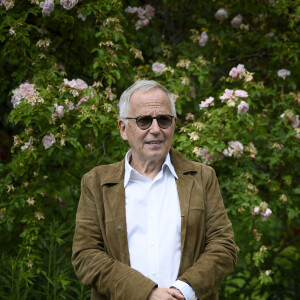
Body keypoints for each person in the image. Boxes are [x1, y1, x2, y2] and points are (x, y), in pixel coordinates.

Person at [72, 80, 237, 300]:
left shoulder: (203, 178)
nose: (156, 129)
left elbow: (224, 247)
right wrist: (146, 293)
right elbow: (85, 256)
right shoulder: (96, 183)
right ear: (123, 128)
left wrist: (183, 291)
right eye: (144, 121)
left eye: (164, 120)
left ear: (174, 124)